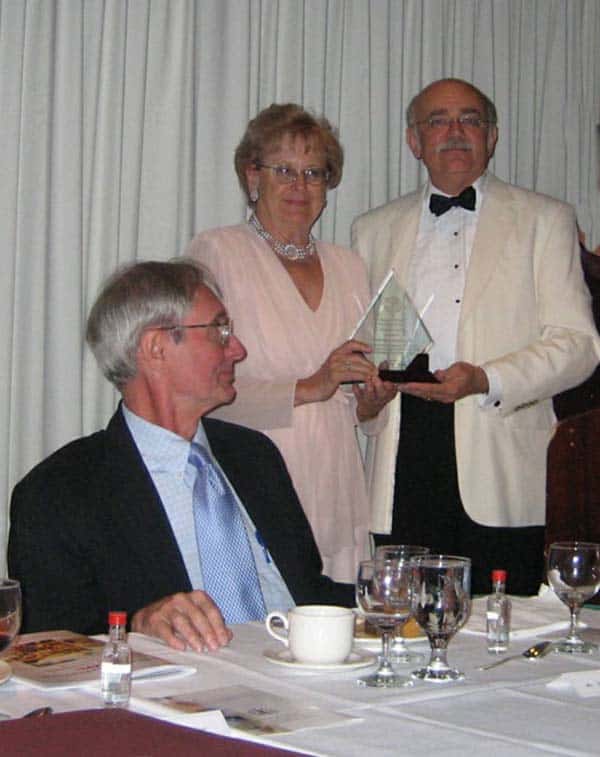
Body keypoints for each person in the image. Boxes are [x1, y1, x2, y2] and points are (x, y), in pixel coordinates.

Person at [8, 259, 354, 650]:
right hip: (178, 698)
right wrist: (136, 626)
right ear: (155, 348)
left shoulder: (254, 456)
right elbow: (50, 644)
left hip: (308, 681)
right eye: (219, 331)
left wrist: (393, 597)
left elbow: (307, 592)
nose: (238, 350)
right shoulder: (59, 493)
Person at [351, 78, 600, 595]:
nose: (455, 132)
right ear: (413, 141)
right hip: (403, 463)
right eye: (437, 121)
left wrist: (486, 378)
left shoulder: (546, 219)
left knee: (503, 632)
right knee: (406, 629)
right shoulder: (371, 229)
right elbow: (369, 347)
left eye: (470, 119)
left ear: (493, 136)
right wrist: (368, 398)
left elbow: (579, 345)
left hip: (501, 460)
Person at [187, 104, 396, 583]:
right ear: (251, 176)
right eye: (284, 170)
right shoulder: (218, 251)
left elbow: (358, 400)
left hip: (338, 479)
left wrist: (371, 402)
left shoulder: (349, 265)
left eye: (314, 173)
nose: (300, 186)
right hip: (255, 474)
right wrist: (309, 386)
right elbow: (200, 387)